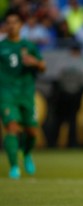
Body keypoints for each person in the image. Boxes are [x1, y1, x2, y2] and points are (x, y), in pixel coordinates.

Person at [0, 11, 46, 179]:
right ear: (6, 26)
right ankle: (14, 167)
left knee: (32, 131)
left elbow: (43, 67)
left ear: (21, 25)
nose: (12, 26)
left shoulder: (29, 46)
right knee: (11, 127)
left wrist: (35, 62)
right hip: (6, 94)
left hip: (26, 93)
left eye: (15, 22)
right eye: (9, 23)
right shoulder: (2, 46)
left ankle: (26, 153)